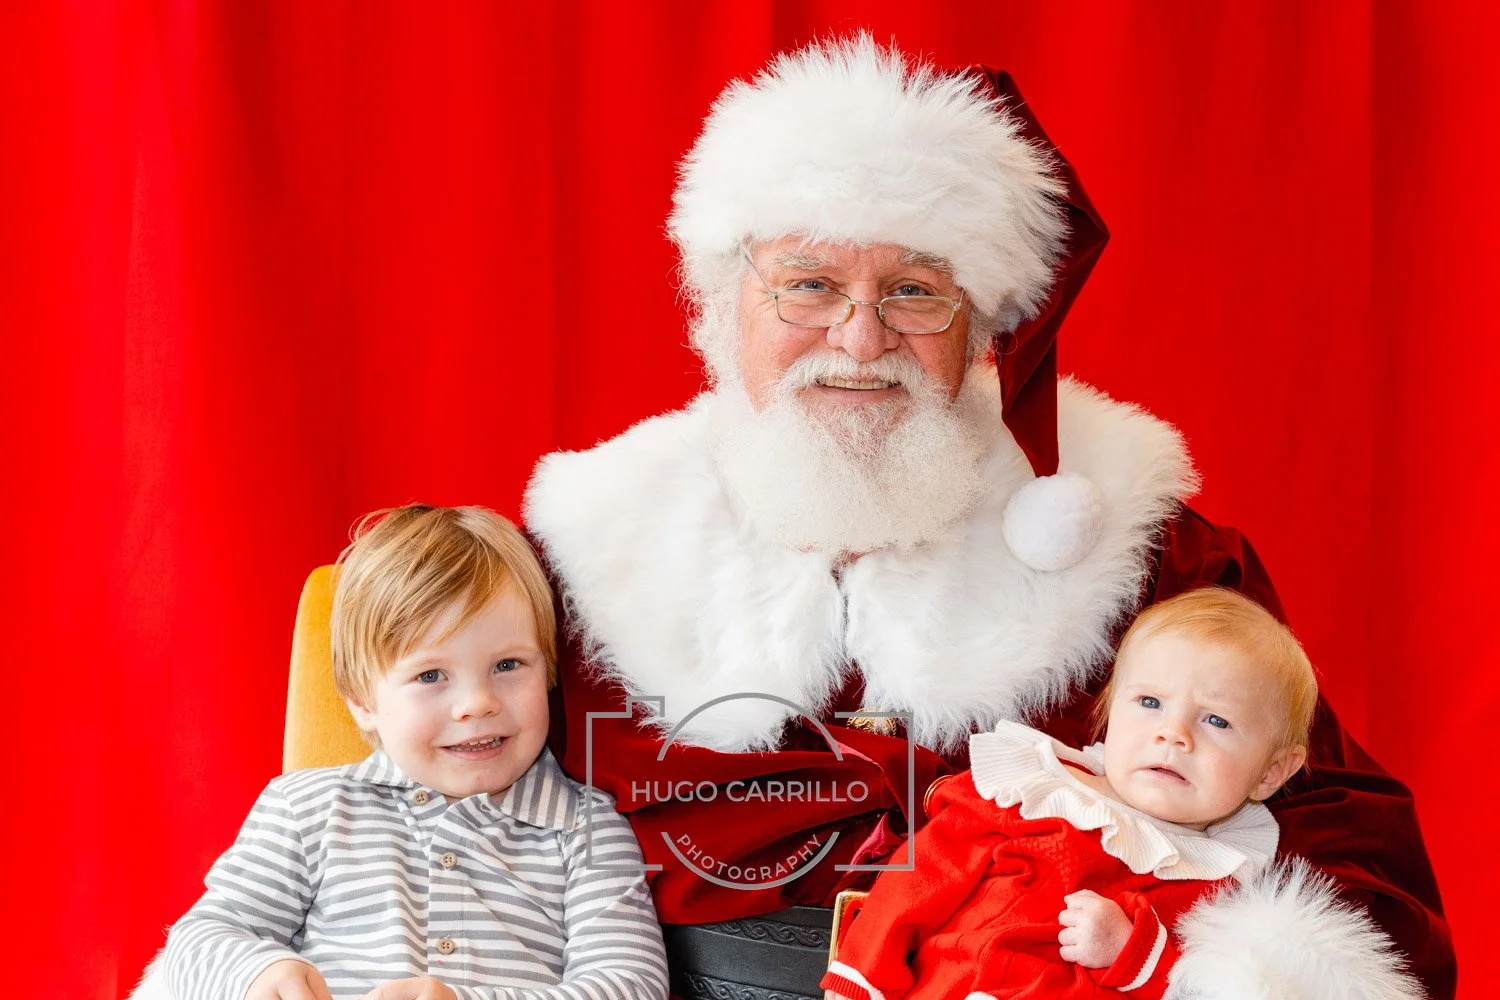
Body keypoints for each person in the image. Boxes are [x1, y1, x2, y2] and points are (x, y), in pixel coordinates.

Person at [522, 34, 1452, 1000]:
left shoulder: (1139, 549)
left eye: (916, 293)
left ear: (983, 327)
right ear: (719, 302)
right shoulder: (596, 546)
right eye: (809, 284)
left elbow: (1343, 843)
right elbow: (442, 810)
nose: (860, 336)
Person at [161, 505, 669, 1000]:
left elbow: (630, 984)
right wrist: (259, 971)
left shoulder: (587, 825)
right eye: (431, 675)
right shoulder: (308, 807)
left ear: (550, 671)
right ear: (363, 702)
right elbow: (202, 937)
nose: (477, 703)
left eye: (509, 665)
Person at [820, 587, 1316, 1000]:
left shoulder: (1225, 876)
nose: (1174, 734)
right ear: (1109, 710)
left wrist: (1133, 950)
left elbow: (1203, 985)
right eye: (1149, 702)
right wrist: (862, 979)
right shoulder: (1034, 790)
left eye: (1216, 720)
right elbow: (922, 878)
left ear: (1272, 772)